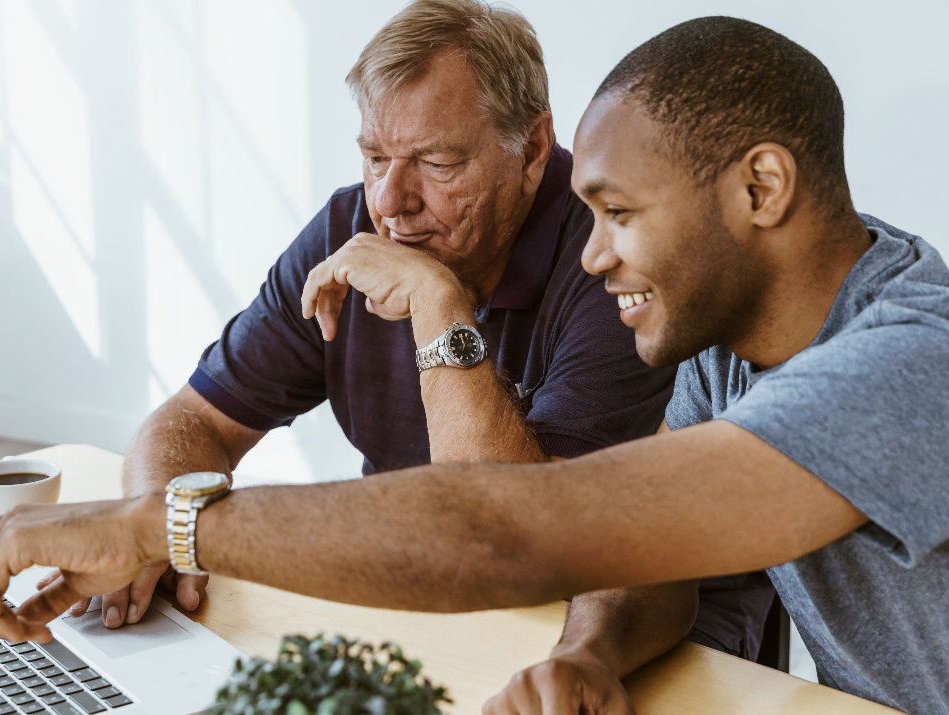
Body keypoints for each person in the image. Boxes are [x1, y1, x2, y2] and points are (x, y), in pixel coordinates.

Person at [0, 15, 949, 714]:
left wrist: (156, 526)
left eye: (618, 214)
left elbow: (507, 532)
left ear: (759, 188)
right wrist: (591, 649)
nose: (600, 255)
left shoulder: (916, 368)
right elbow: (649, 564)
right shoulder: (731, 353)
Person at [84, 0, 772, 669]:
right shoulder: (350, 230)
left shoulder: (615, 252)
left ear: (533, 149)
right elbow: (190, 420)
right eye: (376, 157)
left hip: (645, 640)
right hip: (433, 602)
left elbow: (522, 550)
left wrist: (438, 303)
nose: (388, 202)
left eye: (437, 164)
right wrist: (156, 530)